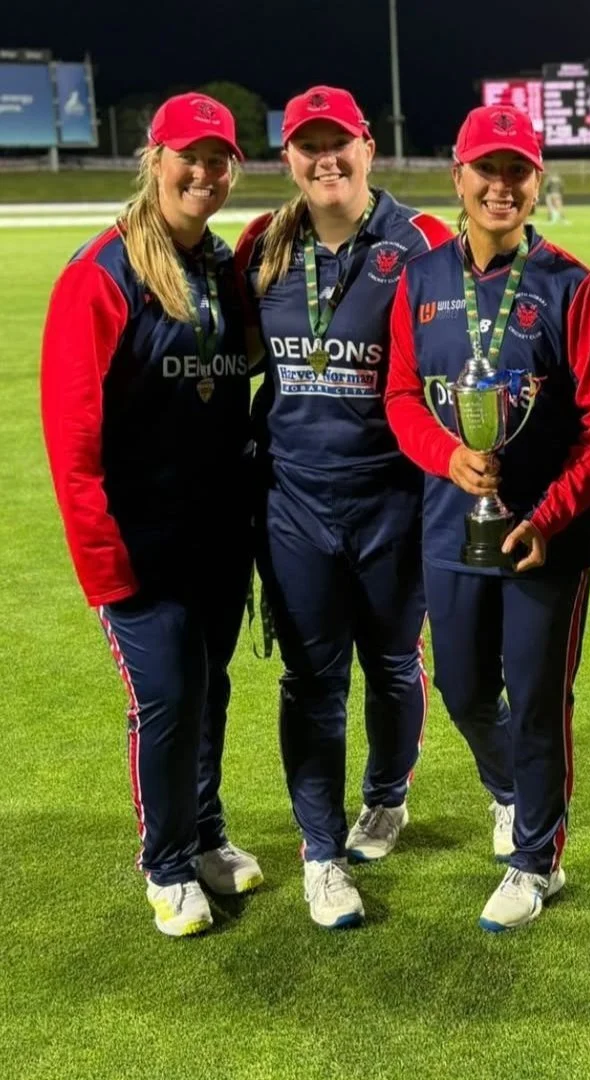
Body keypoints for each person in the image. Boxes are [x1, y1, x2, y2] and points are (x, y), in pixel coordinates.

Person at [385, 104, 590, 931]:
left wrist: (551, 515)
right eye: (486, 170)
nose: (501, 185)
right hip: (452, 522)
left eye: (517, 171)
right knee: (459, 688)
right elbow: (400, 396)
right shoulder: (420, 280)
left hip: (544, 541)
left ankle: (535, 858)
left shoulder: (571, 284)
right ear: (457, 178)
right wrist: (445, 456)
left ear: (537, 182)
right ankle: (517, 795)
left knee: (535, 699)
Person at [41, 93, 262, 938]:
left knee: (208, 690)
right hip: (138, 544)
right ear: (155, 157)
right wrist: (103, 561)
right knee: (167, 697)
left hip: (215, 538)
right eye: (189, 156)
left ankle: (204, 834)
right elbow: (73, 442)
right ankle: (166, 865)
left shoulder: (217, 267)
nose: (203, 173)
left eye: (218, 160)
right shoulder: (100, 275)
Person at [234, 86, 453, 929]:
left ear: (369, 147)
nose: (325, 160)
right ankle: (321, 853)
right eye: (306, 146)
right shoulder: (265, 242)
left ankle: (387, 797)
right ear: (288, 158)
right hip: (295, 506)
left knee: (395, 666)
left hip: (395, 501)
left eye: (340, 144)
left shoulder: (423, 242)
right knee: (310, 681)